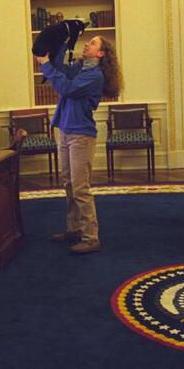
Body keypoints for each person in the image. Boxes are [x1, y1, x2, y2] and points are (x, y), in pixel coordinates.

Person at [36, 36, 122, 254]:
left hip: (81, 135)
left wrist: (45, 64)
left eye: (92, 43)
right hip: (66, 130)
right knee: (68, 183)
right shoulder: (82, 68)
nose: (87, 44)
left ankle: (91, 237)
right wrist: (64, 42)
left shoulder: (95, 75)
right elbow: (60, 69)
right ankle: (74, 228)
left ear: (101, 53)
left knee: (80, 187)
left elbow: (66, 88)